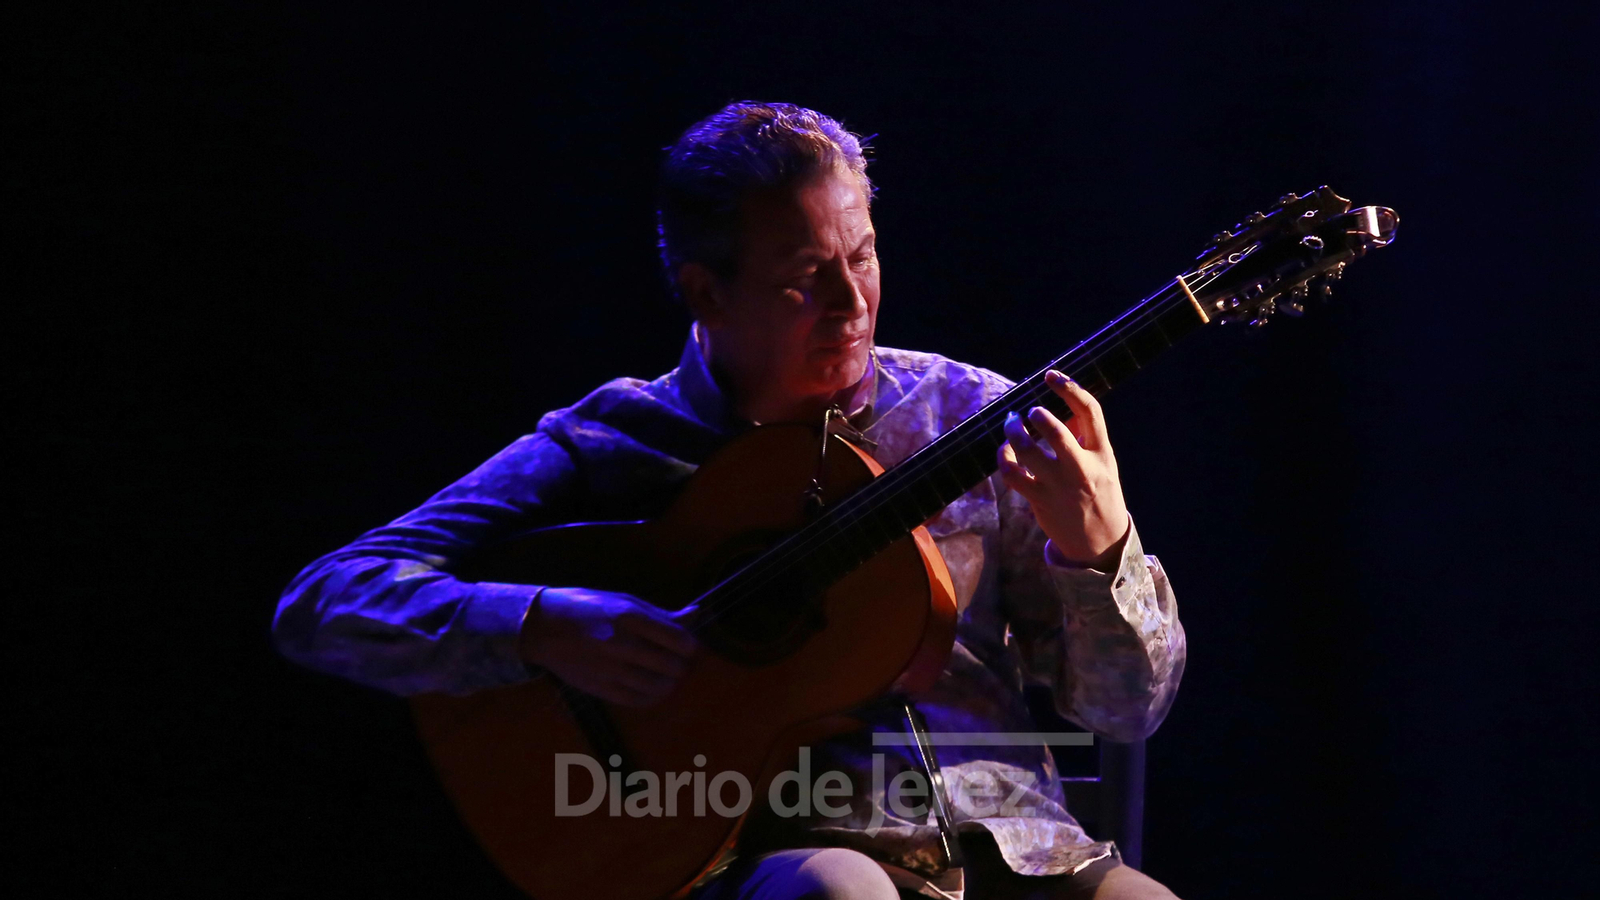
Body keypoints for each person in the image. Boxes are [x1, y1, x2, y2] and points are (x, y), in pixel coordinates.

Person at [274, 101, 1186, 900]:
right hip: (774, 847)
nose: (851, 303)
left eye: (863, 256)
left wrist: (1098, 551)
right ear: (704, 290)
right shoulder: (613, 442)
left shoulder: (970, 415)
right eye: (803, 277)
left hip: (1018, 847)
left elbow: (1127, 711)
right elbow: (322, 603)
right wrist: (538, 623)